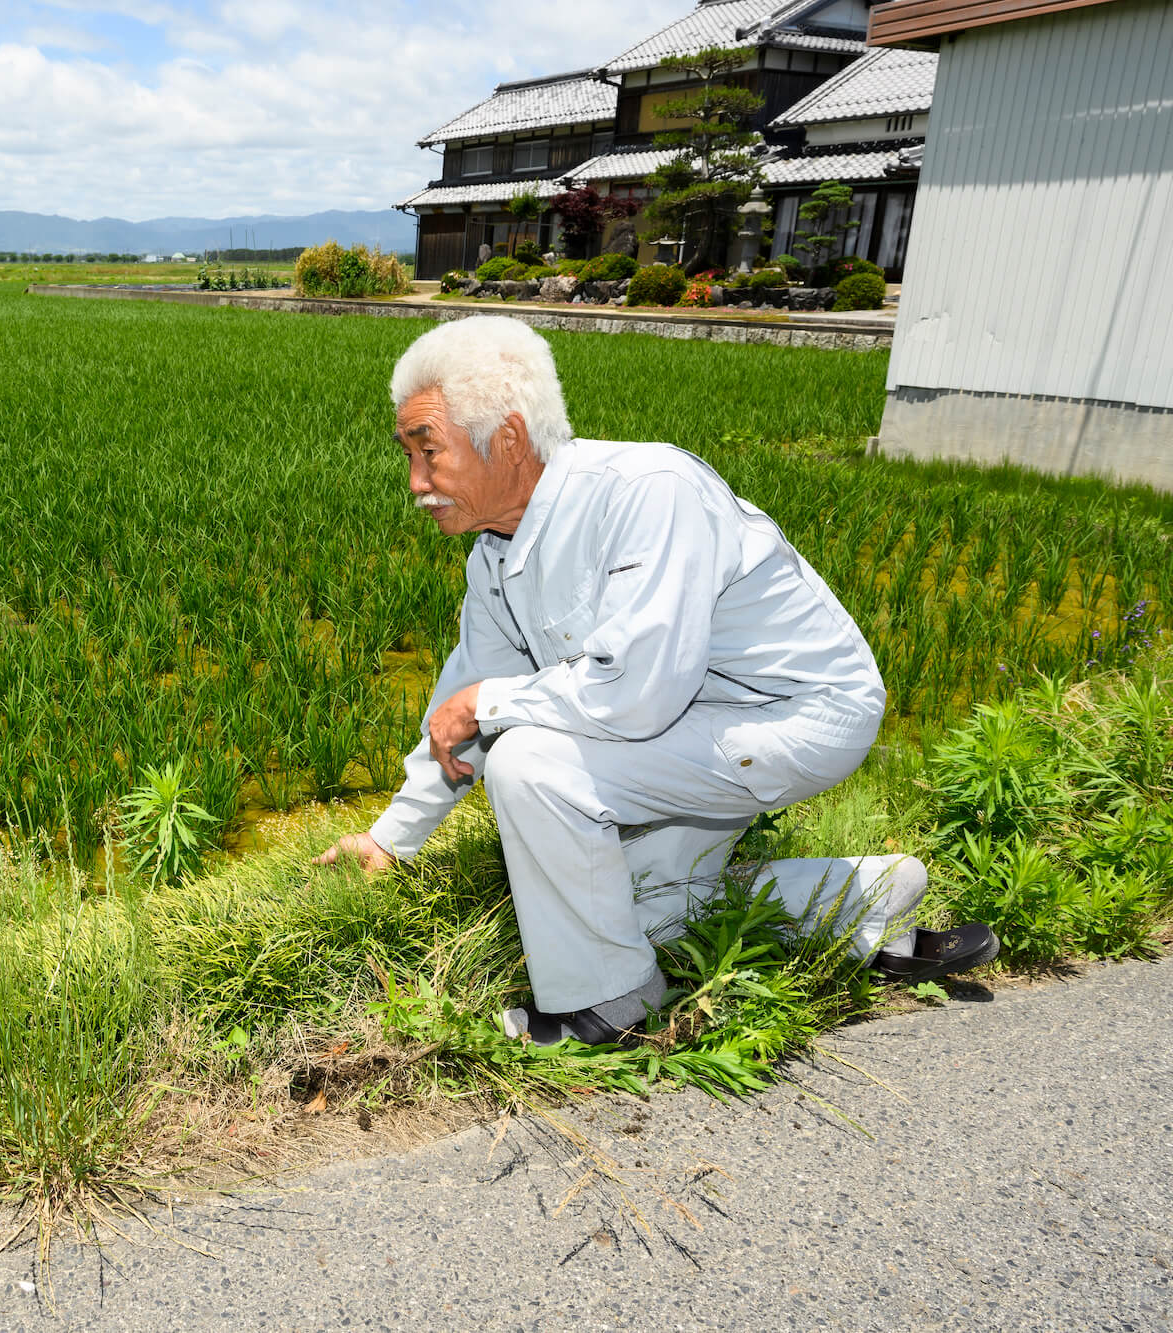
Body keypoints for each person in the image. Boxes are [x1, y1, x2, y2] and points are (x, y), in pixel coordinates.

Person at [315, 317, 996, 1047]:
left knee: (530, 761)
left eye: (428, 451)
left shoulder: (646, 490)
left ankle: (605, 1006)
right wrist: (391, 839)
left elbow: (629, 693)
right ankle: (866, 902)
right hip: (689, 722)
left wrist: (491, 703)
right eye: (410, 456)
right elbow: (461, 703)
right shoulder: (495, 556)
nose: (417, 483)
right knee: (635, 903)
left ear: (508, 439)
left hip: (792, 715)